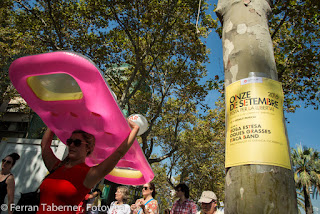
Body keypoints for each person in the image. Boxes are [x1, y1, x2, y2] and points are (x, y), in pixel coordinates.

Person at [38, 120, 139, 214]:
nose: (72, 145)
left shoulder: (90, 174)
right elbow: (44, 145)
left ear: (88, 148)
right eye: (69, 142)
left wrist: (134, 129)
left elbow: (118, 153)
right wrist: (52, 120)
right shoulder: (57, 166)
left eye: (77, 143)